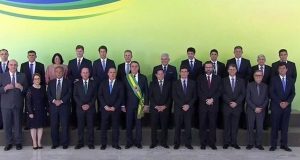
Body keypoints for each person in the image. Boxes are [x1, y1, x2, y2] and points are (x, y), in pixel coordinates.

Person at [0, 59, 28, 151]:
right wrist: (4, 88)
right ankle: (8, 143)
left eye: (15, 65)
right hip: (6, 105)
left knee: (18, 124)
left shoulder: (22, 76)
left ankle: (18, 142)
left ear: (17, 66)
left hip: (18, 104)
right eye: (11, 65)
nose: (13, 66)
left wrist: (21, 87)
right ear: (8, 66)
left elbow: (27, 91)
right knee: (7, 125)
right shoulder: (2, 76)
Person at [269, 62, 295, 152]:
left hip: (287, 107)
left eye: (283, 68)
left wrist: (287, 102)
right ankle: (273, 145)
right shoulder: (273, 79)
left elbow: (293, 93)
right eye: (280, 68)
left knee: (285, 127)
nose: (282, 70)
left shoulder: (291, 80)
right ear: (278, 70)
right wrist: (280, 102)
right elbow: (271, 92)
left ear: (286, 70)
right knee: (274, 126)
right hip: (276, 106)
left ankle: (284, 145)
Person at [123, 61, 149, 149]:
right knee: (128, 124)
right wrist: (123, 105)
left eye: (136, 66)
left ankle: (138, 142)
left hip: (140, 105)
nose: (134, 68)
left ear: (138, 68)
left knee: (139, 124)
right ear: (130, 68)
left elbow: (147, 92)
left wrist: (146, 104)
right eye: (132, 66)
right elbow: (123, 93)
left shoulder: (143, 77)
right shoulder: (126, 78)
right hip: (129, 105)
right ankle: (129, 142)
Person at [197, 61, 222, 150]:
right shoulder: (200, 78)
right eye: (207, 67)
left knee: (212, 124)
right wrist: (206, 100)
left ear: (213, 68)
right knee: (202, 124)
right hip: (203, 105)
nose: (208, 69)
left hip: (214, 105)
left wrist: (212, 99)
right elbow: (198, 91)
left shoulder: (218, 78)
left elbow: (219, 91)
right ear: (204, 68)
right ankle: (203, 143)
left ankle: (212, 143)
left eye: (210, 67)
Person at [226, 46, 251, 129]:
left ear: (242, 52)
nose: (238, 52)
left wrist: (241, 82)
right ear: (234, 52)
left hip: (241, 88)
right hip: (231, 89)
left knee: (241, 107)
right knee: (230, 109)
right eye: (236, 51)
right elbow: (227, 74)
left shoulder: (247, 62)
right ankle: (230, 124)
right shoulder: (229, 61)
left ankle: (241, 124)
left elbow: (249, 74)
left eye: (239, 51)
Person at [67, 45, 92, 129]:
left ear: (83, 52)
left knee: (86, 104)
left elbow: (90, 73)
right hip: (75, 86)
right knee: (75, 105)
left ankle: (85, 124)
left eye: (81, 51)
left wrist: (81, 80)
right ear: (75, 51)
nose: (79, 52)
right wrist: (75, 80)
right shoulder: (71, 62)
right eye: (77, 51)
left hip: (85, 86)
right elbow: (69, 75)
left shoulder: (88, 62)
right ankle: (75, 124)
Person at [99, 67, 124, 150]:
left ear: (116, 74)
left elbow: (121, 97)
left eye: (114, 72)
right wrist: (105, 106)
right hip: (105, 109)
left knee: (115, 127)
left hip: (115, 109)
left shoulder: (120, 84)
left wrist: (115, 107)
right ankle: (103, 144)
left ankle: (115, 144)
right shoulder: (103, 83)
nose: (112, 74)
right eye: (111, 72)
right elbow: (100, 95)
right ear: (108, 73)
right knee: (103, 127)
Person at [47, 66, 72, 149]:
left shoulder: (68, 82)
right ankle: (55, 143)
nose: (58, 73)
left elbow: (69, 93)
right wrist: (54, 101)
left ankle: (65, 143)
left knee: (65, 125)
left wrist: (61, 101)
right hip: (53, 107)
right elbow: (48, 94)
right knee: (54, 125)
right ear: (54, 72)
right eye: (57, 71)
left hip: (64, 106)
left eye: (60, 71)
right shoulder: (51, 82)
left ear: (63, 72)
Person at [222, 64, 246, 149]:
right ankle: (226, 142)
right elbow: (222, 93)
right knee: (226, 125)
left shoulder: (241, 81)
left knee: (235, 126)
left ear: (236, 70)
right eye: (230, 69)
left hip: (237, 106)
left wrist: (236, 103)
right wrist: (229, 102)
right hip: (227, 106)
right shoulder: (223, 80)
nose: (232, 71)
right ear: (228, 70)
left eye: (233, 69)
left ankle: (234, 142)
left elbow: (243, 94)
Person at [20, 50, 45, 130]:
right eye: (30, 55)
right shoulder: (23, 65)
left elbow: (43, 79)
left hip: (38, 89)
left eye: (33, 55)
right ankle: (28, 124)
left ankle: (39, 122)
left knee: (38, 106)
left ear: (35, 56)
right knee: (28, 105)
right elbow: (21, 77)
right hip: (27, 89)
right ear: (27, 56)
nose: (31, 56)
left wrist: (43, 89)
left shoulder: (40, 65)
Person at [173, 66, 196, 150]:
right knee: (177, 126)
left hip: (189, 109)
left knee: (188, 127)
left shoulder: (193, 83)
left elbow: (195, 96)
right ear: (179, 73)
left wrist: (188, 105)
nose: (183, 73)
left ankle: (188, 143)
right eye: (182, 71)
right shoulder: (175, 83)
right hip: (179, 108)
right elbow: (174, 96)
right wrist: (183, 105)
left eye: (185, 71)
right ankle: (177, 143)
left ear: (188, 73)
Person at [92, 45, 116, 130]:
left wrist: (107, 83)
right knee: (100, 106)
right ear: (99, 53)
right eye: (101, 52)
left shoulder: (111, 62)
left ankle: (109, 124)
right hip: (100, 88)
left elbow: (113, 74)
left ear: (106, 52)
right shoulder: (95, 62)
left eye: (104, 51)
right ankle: (100, 124)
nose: (102, 53)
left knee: (110, 105)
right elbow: (94, 75)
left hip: (110, 87)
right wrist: (102, 84)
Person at [73, 67, 97, 150]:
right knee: (80, 126)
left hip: (91, 108)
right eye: (84, 72)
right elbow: (75, 96)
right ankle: (80, 143)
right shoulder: (77, 83)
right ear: (81, 74)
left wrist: (89, 105)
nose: (85, 74)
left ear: (89, 74)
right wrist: (81, 105)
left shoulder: (94, 83)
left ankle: (91, 143)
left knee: (90, 126)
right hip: (80, 108)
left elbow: (95, 96)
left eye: (87, 72)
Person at [246, 70, 268, 150]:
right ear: (254, 76)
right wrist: (255, 108)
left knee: (260, 127)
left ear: (262, 77)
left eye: (260, 75)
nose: (258, 77)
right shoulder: (249, 85)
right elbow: (247, 99)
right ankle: (250, 143)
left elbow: (266, 99)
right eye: (256, 75)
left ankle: (259, 144)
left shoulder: (265, 86)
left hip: (261, 110)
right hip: (251, 110)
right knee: (250, 127)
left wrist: (261, 107)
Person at [149, 69, 172, 149]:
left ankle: (164, 142)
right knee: (154, 126)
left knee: (164, 126)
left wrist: (164, 106)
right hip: (154, 109)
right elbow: (150, 97)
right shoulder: (152, 83)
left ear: (164, 74)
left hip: (165, 109)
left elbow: (170, 97)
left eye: (162, 74)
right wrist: (156, 106)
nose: (160, 75)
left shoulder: (169, 83)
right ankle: (153, 142)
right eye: (159, 74)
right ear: (156, 75)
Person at [180, 47, 202, 129]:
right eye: (188, 54)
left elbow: (200, 76)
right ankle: (183, 125)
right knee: (185, 104)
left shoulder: (199, 63)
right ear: (187, 54)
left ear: (194, 54)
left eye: (191, 54)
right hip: (186, 86)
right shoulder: (183, 62)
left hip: (195, 86)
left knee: (195, 105)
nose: (190, 55)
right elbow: (181, 74)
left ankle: (195, 124)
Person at [26, 73, 48, 149]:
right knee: (33, 127)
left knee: (40, 127)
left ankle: (39, 142)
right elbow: (28, 102)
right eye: (35, 79)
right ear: (33, 80)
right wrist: (30, 112)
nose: (37, 80)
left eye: (38, 78)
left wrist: (47, 109)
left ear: (40, 79)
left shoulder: (43, 88)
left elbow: (46, 100)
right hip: (33, 111)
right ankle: (34, 143)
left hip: (41, 110)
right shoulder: (30, 89)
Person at [251, 54, 272, 130]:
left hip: (265, 92)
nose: (261, 60)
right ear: (257, 60)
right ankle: (254, 126)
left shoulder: (270, 68)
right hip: (255, 92)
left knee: (264, 109)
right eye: (260, 59)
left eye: (263, 59)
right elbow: (251, 80)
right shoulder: (253, 68)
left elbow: (271, 81)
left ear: (265, 60)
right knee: (254, 110)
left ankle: (264, 126)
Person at [117, 50, 133, 129]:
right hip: (122, 90)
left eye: (129, 55)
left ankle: (131, 125)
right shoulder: (120, 66)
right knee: (123, 107)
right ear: (124, 56)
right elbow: (118, 78)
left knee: (131, 108)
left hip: (132, 91)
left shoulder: (134, 65)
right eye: (126, 55)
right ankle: (123, 124)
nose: (127, 57)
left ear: (131, 56)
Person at [0, 49, 9, 130]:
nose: (4, 55)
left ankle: (8, 124)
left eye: (5, 54)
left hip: (9, 91)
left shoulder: (12, 64)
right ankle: (1, 124)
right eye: (2, 54)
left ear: (8, 55)